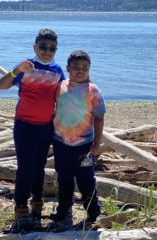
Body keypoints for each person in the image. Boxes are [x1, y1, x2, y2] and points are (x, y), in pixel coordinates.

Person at [0, 29, 65, 232]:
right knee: (25, 168)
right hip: (25, 125)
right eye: (43, 47)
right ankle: (20, 208)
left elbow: (62, 97)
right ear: (35, 47)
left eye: (52, 48)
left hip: (46, 127)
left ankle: (37, 204)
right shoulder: (26, 66)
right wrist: (17, 70)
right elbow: (1, 85)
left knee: (39, 167)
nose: (47, 51)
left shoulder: (57, 70)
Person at [50, 50, 106, 231]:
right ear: (68, 68)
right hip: (61, 143)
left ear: (89, 69)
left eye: (84, 68)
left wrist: (97, 143)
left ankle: (93, 212)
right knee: (64, 178)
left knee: (86, 179)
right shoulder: (60, 87)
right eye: (76, 67)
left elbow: (99, 117)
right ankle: (64, 210)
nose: (80, 71)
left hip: (84, 146)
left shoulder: (93, 91)